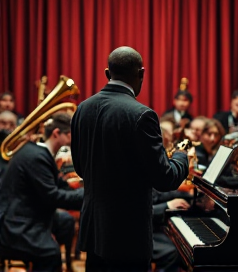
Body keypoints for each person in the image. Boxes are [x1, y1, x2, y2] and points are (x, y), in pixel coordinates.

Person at [70, 46, 189, 272]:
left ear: (107, 73)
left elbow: (80, 168)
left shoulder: (82, 109)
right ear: (141, 73)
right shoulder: (142, 114)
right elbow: (165, 179)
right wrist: (182, 154)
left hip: (94, 229)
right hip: (127, 236)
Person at [0, 112, 84, 272]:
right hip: (15, 223)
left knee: (65, 223)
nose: (74, 139)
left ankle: (64, 256)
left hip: (26, 212)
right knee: (50, 254)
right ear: (56, 133)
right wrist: (86, 196)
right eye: (70, 135)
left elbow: (59, 184)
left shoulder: (39, 152)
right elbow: (52, 196)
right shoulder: (36, 156)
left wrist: (82, 186)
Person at [152, 188, 193, 272]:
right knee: (172, 252)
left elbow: (158, 195)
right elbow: (135, 213)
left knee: (178, 245)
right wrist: (167, 205)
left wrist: (190, 195)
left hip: (147, 228)